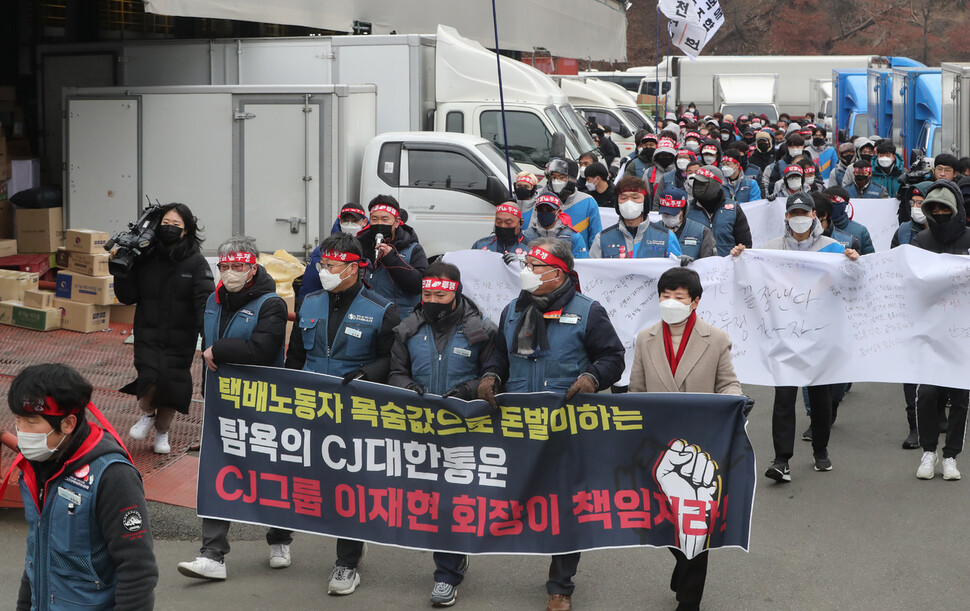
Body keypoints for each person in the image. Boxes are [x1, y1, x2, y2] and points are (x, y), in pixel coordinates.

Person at [478, 238, 625, 611]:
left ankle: (561, 585)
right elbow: (499, 355)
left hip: (567, 426)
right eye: (525, 263)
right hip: (519, 425)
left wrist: (593, 377)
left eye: (534, 265)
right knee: (521, 497)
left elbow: (613, 357)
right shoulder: (513, 310)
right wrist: (491, 376)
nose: (526, 271)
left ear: (557, 273)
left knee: (565, 505)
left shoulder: (588, 311)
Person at [284, 232, 401, 595]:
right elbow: (296, 357)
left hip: (356, 411)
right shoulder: (310, 303)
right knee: (297, 478)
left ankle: (346, 563)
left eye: (331, 266)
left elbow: (393, 359)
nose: (324, 271)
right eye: (322, 264)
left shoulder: (382, 308)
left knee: (349, 486)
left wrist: (367, 374)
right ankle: (278, 537)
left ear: (353, 268)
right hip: (310, 409)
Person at [177, 236, 291, 581]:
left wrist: (218, 351)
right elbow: (205, 341)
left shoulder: (271, 304)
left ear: (253, 267)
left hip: (263, 403)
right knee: (218, 471)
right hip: (221, 402)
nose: (230, 273)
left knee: (269, 472)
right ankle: (212, 554)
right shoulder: (212, 300)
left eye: (238, 266)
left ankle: (279, 538)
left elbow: (260, 349)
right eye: (224, 266)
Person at [628, 267, 743, 611]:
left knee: (696, 519)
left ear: (695, 302)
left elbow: (727, 383)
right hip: (658, 446)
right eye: (665, 296)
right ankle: (682, 563)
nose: (671, 303)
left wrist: (735, 405)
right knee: (662, 516)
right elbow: (637, 389)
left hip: (701, 445)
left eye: (679, 297)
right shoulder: (645, 338)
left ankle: (690, 598)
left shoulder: (716, 339)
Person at [388, 262, 497, 607]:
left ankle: (446, 575)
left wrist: (467, 390)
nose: (433, 299)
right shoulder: (408, 327)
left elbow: (494, 372)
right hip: (419, 428)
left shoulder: (481, 330)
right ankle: (452, 556)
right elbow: (395, 372)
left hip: (466, 429)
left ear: (456, 292)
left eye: (441, 293)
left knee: (454, 501)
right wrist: (409, 387)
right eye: (428, 293)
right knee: (431, 501)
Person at [5, 363, 158, 609]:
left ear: (68, 424)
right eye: (18, 420)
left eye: (31, 422)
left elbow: (138, 570)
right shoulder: (35, 466)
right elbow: (37, 555)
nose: (21, 432)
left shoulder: (112, 475)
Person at [731, 193, 860, 481]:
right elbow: (748, 281)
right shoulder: (771, 250)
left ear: (815, 215)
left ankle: (821, 450)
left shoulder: (833, 247)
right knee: (784, 395)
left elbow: (852, 284)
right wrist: (740, 260)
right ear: (786, 217)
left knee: (820, 397)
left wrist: (853, 261)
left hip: (819, 335)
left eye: (805, 211)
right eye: (794, 212)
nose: (799, 217)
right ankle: (781, 459)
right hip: (784, 335)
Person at [116, 202, 214, 454]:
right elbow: (128, 296)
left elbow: (204, 300)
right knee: (149, 378)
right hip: (147, 331)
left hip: (180, 337)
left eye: (176, 225)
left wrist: (209, 335)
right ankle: (147, 414)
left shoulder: (196, 262)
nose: (169, 229)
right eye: (166, 224)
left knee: (172, 386)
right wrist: (120, 269)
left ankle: (162, 432)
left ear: (187, 229)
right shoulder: (146, 258)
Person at [910, 181, 970, 480]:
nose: (938, 212)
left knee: (960, 396)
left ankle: (951, 456)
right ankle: (929, 451)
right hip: (931, 331)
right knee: (928, 394)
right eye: (933, 208)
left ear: (956, 209)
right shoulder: (921, 240)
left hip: (963, 333)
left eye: (944, 208)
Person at [890, 181, 933, 450]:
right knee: (911, 371)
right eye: (913, 203)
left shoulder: (953, 235)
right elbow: (892, 265)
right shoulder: (903, 230)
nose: (916, 208)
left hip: (939, 312)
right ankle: (915, 426)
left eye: (922, 203)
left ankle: (936, 417)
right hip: (909, 309)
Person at [356, 195, 429, 318]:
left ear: (396, 222)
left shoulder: (413, 248)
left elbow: (420, 285)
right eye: (374, 219)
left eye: (385, 219)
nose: (379, 223)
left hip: (400, 318)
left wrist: (393, 259)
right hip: (365, 315)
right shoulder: (359, 245)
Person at [589, 176, 683, 259]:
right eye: (623, 198)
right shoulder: (602, 239)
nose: (629, 202)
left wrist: (683, 263)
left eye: (635, 198)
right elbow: (593, 273)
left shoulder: (666, 237)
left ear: (645, 202)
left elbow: (676, 273)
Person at [523, 157, 602, 250]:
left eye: (562, 177)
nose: (556, 181)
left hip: (578, 258)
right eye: (554, 177)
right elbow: (529, 233)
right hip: (543, 258)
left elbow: (595, 238)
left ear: (571, 178)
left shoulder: (588, 201)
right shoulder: (539, 198)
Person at [299, 203, 371, 302]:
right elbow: (310, 285)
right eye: (345, 221)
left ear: (364, 222)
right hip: (328, 303)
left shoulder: (373, 247)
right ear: (340, 221)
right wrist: (304, 306)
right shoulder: (323, 251)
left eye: (355, 221)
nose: (349, 225)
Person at [686, 166, 753, 256]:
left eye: (703, 183)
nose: (697, 187)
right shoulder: (686, 209)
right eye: (696, 182)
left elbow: (746, 245)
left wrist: (739, 250)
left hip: (726, 267)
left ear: (715, 185)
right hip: (695, 267)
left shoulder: (733, 209)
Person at [654, 187, 717, 262]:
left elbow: (709, 264)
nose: (668, 216)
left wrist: (691, 265)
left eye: (673, 213)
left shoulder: (702, 232)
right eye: (665, 213)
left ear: (684, 210)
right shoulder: (652, 230)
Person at [523, 193, 589, 259]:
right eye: (540, 209)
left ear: (559, 212)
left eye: (549, 209)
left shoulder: (573, 237)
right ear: (536, 211)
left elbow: (582, 264)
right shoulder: (526, 235)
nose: (544, 212)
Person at [825, 187, 876, 254]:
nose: (831, 207)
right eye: (828, 203)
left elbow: (870, 260)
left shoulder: (860, 231)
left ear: (843, 205)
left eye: (834, 203)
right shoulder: (816, 231)